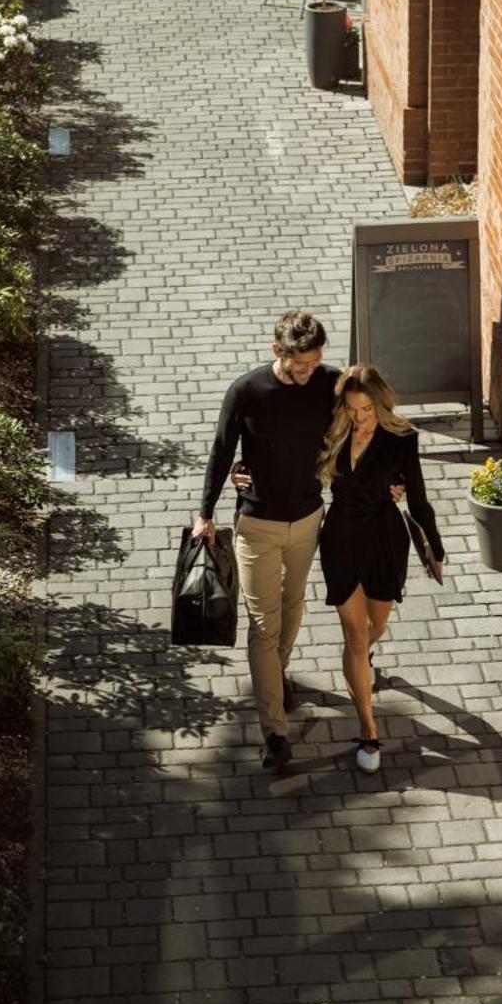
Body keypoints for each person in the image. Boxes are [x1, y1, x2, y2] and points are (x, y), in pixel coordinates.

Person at [193, 311, 338, 772]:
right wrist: (205, 514)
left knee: (293, 606)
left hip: (308, 519)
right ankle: (275, 732)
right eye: (300, 366)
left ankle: (273, 679)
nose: (308, 373)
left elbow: (364, 424)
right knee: (264, 625)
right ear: (278, 352)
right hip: (258, 525)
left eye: (315, 364)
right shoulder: (247, 391)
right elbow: (220, 450)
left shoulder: (330, 383)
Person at [316, 364, 445, 772]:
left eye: (367, 409)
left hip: (385, 540)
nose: (361, 417)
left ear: (381, 402)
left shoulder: (401, 437)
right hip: (340, 537)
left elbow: (419, 498)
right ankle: (369, 733)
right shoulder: (332, 430)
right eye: (354, 409)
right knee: (355, 636)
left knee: (377, 625)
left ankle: (364, 658)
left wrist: (436, 550)